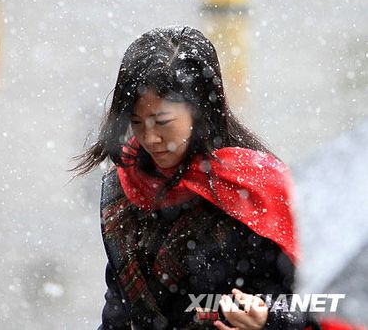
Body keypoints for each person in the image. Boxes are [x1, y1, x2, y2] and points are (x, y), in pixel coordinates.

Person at [73, 26, 313, 329]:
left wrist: (269, 319)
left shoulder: (257, 189)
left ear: (201, 111)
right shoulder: (124, 188)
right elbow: (119, 305)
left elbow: (324, 303)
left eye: (162, 122)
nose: (149, 138)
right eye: (136, 122)